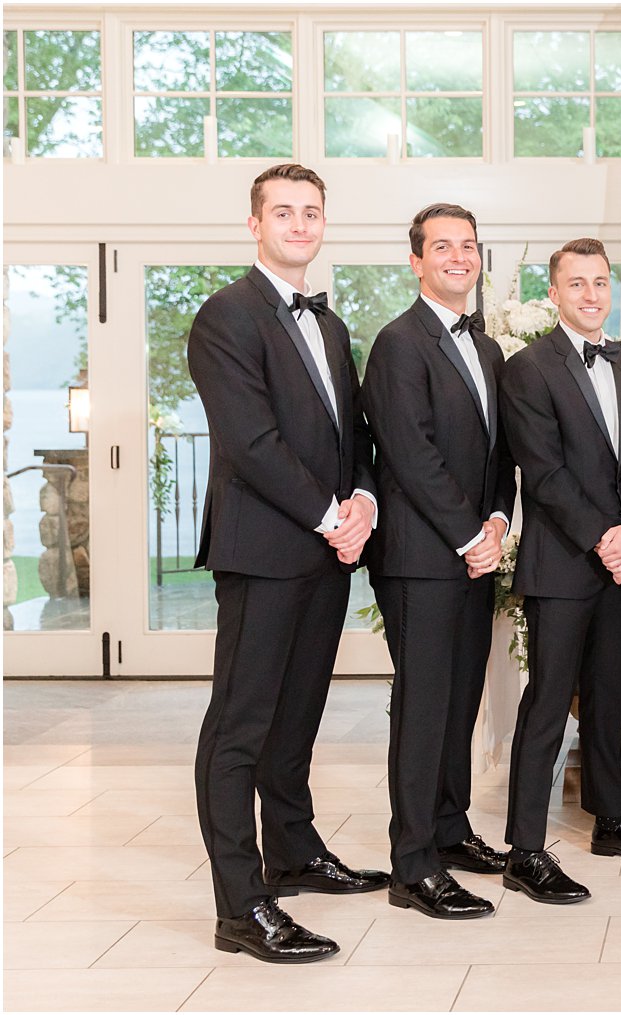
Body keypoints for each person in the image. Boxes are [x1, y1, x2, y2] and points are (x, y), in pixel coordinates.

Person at [188, 163, 385, 963]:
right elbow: (252, 443)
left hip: (326, 555)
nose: (300, 224)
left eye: (311, 212)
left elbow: (354, 440)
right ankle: (241, 905)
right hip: (265, 550)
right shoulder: (225, 316)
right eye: (284, 212)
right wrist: (331, 513)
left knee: (298, 716)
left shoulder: (332, 326)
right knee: (240, 725)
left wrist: (364, 499)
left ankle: (295, 851)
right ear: (254, 224)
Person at [499, 237, 621, 904]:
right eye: (577, 284)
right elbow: (541, 471)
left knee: (608, 696)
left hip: (619, 560)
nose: (592, 294)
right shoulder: (527, 368)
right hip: (561, 562)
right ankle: (524, 848)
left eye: (601, 282)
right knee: (547, 702)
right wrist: (603, 537)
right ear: (554, 292)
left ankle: (610, 821)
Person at [362, 203, 515, 920]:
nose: (459, 256)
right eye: (443, 246)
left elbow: (499, 453)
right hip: (423, 559)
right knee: (424, 707)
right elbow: (410, 452)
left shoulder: (484, 349)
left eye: (469, 245)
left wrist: (497, 520)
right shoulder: (399, 343)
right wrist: (467, 532)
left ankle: (451, 831)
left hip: (473, 553)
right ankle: (412, 863)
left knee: (460, 701)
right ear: (416, 261)